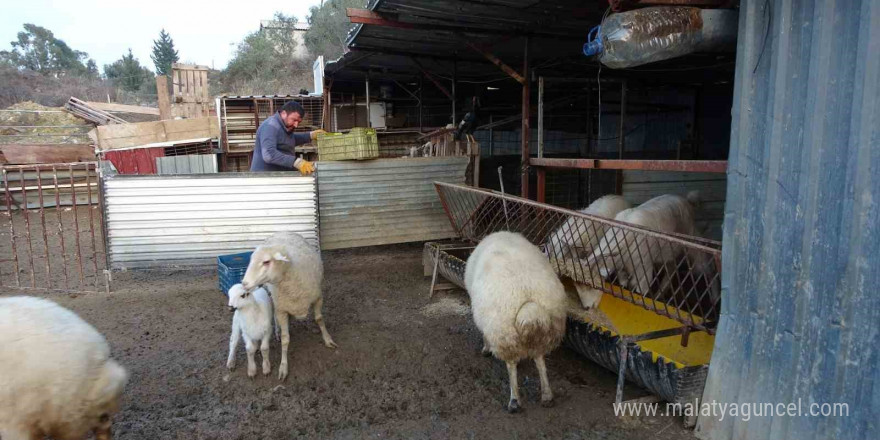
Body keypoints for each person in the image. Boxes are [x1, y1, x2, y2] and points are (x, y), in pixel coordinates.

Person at [250, 101, 326, 174]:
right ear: (283, 114)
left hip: (277, 176)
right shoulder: (270, 126)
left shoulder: (283, 127)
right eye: (294, 120)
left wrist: (310, 135)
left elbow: (287, 140)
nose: (296, 125)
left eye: (298, 122)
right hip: (264, 179)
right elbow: (269, 154)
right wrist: (296, 162)